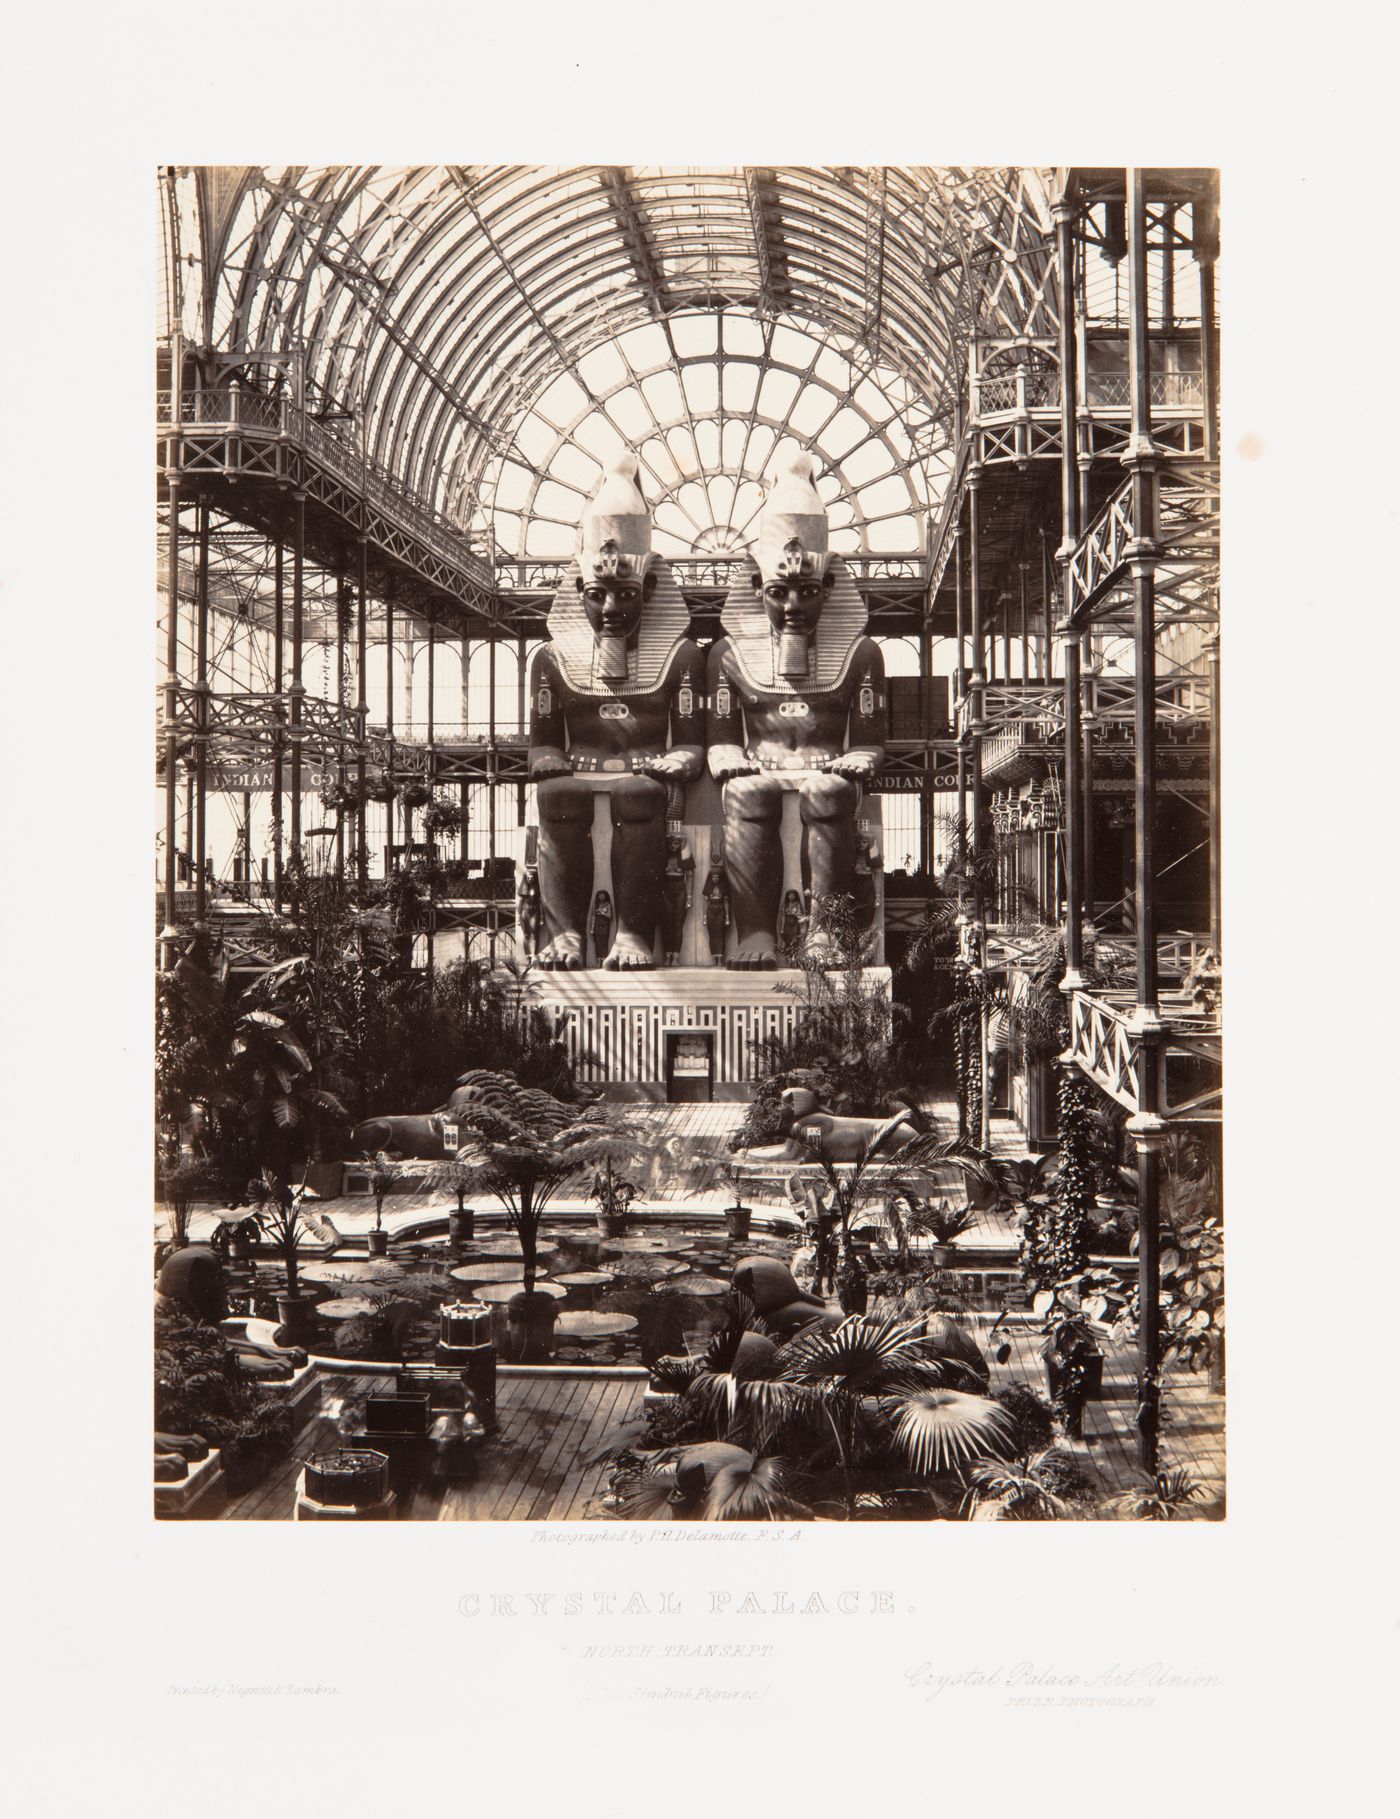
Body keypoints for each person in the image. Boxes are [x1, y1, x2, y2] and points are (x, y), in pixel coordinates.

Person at [705, 451, 886, 968]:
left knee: (828, 791)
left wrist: (863, 758)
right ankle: (756, 933)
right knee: (747, 790)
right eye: (778, 592)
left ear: (830, 586)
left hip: (826, 769)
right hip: (758, 767)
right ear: (756, 586)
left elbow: (872, 739)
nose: (792, 608)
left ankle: (824, 932)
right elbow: (719, 735)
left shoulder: (862, 653)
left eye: (807, 592)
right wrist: (723, 755)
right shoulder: (727, 654)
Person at [527, 454, 704, 969]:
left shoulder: (682, 654)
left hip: (644, 776)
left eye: (625, 594)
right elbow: (542, 740)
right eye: (596, 595)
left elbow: (692, 740)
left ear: (649, 589)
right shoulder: (550, 658)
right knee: (557, 793)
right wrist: (544, 759)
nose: (610, 610)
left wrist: (684, 760)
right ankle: (564, 935)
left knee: (639, 794)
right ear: (577, 591)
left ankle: (632, 934)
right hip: (575, 772)